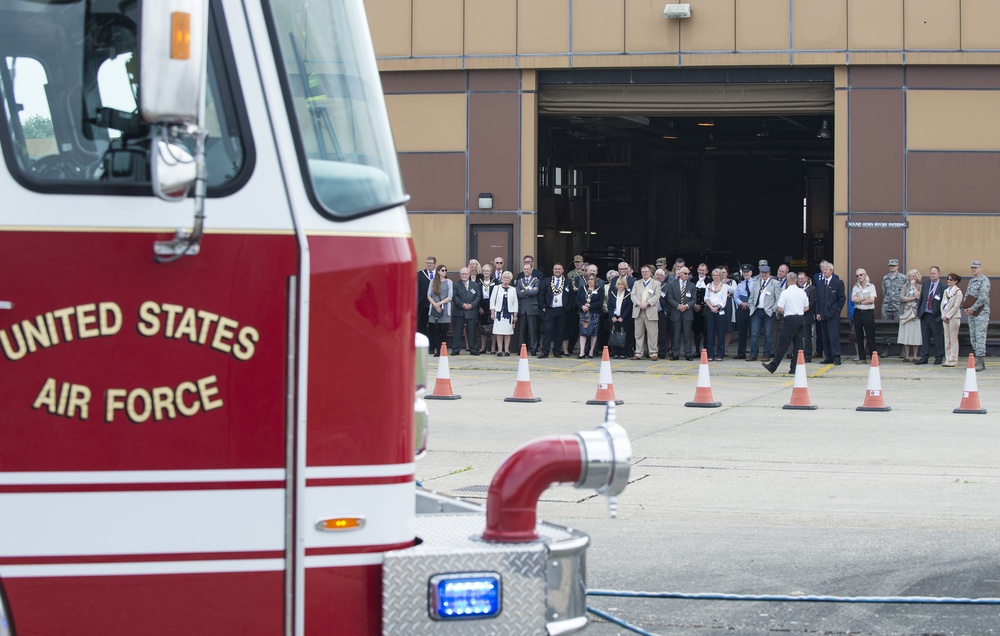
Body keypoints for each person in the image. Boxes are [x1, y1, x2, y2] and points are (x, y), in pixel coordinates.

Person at [762, 272, 810, 375]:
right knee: (798, 345)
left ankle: (773, 365)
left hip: (790, 318)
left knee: (783, 343)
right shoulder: (802, 292)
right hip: (800, 318)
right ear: (796, 280)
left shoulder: (785, 293)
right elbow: (807, 307)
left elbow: (780, 308)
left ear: (788, 281)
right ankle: (794, 368)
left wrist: (787, 310)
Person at [539, 263, 572, 358]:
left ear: (562, 270)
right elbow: (541, 295)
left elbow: (571, 296)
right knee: (548, 331)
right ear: (553, 270)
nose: (557, 270)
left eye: (559, 269)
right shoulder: (547, 281)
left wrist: (568, 307)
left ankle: (557, 351)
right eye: (555, 269)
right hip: (550, 309)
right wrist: (544, 307)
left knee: (560, 331)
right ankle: (545, 351)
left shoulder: (567, 282)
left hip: (562, 310)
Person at [747, 264, 780, 362]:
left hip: (768, 312)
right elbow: (751, 297)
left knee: (768, 334)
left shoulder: (775, 283)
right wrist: (752, 306)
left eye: (766, 273)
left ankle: (766, 354)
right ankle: (753, 354)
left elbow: (778, 299)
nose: (764, 274)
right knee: (754, 334)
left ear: (769, 273)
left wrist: (773, 309)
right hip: (757, 311)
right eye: (762, 272)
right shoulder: (756, 283)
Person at [816, 260, 846, 365]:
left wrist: (837, 311)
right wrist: (818, 312)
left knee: (833, 336)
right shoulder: (820, 283)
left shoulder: (838, 282)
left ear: (831, 271)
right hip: (823, 314)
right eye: (823, 269)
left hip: (833, 314)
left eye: (826, 269)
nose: (824, 271)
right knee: (825, 336)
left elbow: (842, 299)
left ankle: (836, 357)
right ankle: (828, 356)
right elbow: (818, 299)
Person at [964, 260, 991, 372]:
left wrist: (973, 308)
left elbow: (983, 297)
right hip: (972, 313)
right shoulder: (971, 281)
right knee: (973, 337)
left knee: (980, 337)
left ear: (980, 268)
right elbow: (967, 295)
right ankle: (979, 360)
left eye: (975, 267)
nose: (973, 269)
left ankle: (980, 360)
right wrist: (966, 307)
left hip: (981, 313)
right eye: (972, 268)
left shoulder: (984, 280)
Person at [630, 265, 660, 360]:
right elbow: (633, 295)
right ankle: (638, 353)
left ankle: (653, 353)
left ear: (651, 273)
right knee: (638, 333)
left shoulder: (656, 283)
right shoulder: (637, 283)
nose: (644, 273)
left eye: (646, 271)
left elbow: (657, 296)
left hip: (650, 311)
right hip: (638, 311)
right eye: (642, 271)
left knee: (652, 334)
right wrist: (639, 303)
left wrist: (647, 303)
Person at [916, 266, 945, 365]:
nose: (932, 275)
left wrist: (941, 315)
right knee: (925, 337)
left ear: (939, 274)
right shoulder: (926, 284)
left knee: (938, 338)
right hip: (925, 315)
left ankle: (939, 357)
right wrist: (919, 311)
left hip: (935, 316)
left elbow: (944, 302)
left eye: (934, 273)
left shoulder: (943, 287)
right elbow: (922, 298)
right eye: (931, 273)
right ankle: (924, 357)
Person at [665, 266, 695, 360]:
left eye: (688, 274)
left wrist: (686, 306)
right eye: (685, 273)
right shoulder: (672, 285)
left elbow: (694, 299)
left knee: (687, 335)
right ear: (680, 274)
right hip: (676, 312)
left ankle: (688, 353)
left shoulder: (692, 285)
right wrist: (678, 306)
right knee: (676, 334)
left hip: (687, 312)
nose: (687, 275)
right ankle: (675, 353)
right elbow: (669, 298)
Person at [451, 267, 481, 355]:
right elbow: (454, 297)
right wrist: (462, 304)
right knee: (457, 332)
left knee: (472, 332)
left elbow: (478, 297)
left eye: (466, 274)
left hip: (471, 311)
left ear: (469, 274)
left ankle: (473, 349)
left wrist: (471, 305)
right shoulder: (455, 285)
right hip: (459, 311)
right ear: (460, 275)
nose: (464, 275)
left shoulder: (475, 285)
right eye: (462, 274)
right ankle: (455, 350)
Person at [851, 268, 878, 364]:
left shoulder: (871, 286)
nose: (859, 277)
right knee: (859, 336)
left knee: (870, 335)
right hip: (858, 312)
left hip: (868, 312)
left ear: (865, 275)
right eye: (857, 275)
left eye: (861, 275)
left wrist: (860, 300)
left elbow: (871, 300)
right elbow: (853, 299)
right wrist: (864, 299)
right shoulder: (855, 287)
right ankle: (862, 357)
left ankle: (873, 357)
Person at [703, 268, 730, 361]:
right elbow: (706, 297)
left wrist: (717, 307)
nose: (716, 277)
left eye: (718, 275)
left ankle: (720, 354)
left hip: (720, 310)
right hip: (710, 310)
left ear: (721, 276)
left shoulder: (724, 286)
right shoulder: (709, 285)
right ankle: (710, 354)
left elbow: (724, 300)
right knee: (710, 333)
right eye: (714, 275)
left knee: (720, 332)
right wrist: (711, 307)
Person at [426, 264, 452, 356]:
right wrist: (435, 304)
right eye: (442, 270)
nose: (444, 272)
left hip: (444, 310)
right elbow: (429, 295)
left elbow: (450, 296)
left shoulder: (449, 282)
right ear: (438, 271)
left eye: (445, 270)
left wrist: (439, 304)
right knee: (435, 331)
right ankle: (437, 349)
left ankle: (443, 349)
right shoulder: (433, 282)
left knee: (444, 331)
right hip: (434, 310)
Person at [489, 271, 518, 356]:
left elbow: (515, 302)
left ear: (510, 280)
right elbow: (492, 301)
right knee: (499, 332)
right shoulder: (496, 288)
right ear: (502, 278)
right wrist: (492, 313)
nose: (506, 279)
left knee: (508, 332)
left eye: (508, 278)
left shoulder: (513, 289)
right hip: (499, 314)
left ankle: (507, 350)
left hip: (509, 314)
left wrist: (515, 314)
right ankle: (500, 350)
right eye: (504, 277)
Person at [516, 262, 541, 355]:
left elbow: (535, 292)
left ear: (531, 270)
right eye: (525, 269)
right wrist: (529, 291)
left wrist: (524, 292)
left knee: (533, 330)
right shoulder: (519, 281)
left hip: (532, 308)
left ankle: (534, 349)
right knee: (522, 330)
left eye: (528, 269)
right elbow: (518, 293)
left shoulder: (536, 280)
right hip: (522, 308)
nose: (526, 271)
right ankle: (521, 349)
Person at [897, 269, 922, 362]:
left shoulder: (920, 286)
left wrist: (914, 287)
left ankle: (915, 356)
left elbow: (919, 297)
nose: (912, 278)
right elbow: (902, 297)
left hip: (916, 315)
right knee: (906, 335)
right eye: (911, 276)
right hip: (906, 314)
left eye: (914, 276)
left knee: (915, 336)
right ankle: (906, 356)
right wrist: (912, 298)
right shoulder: (905, 286)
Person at [576, 274, 604, 358]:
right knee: (583, 332)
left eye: (592, 279)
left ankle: (591, 351)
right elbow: (577, 300)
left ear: (595, 280)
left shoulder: (599, 289)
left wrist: (590, 305)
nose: (590, 281)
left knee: (593, 332)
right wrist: (582, 306)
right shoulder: (582, 289)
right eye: (589, 279)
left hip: (594, 313)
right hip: (583, 313)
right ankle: (582, 352)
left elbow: (600, 302)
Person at [607, 276, 633, 359]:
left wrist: (623, 317)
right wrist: (612, 316)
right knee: (614, 334)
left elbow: (629, 307)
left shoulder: (628, 294)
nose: (620, 286)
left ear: (625, 285)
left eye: (622, 284)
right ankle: (615, 352)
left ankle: (623, 353)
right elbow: (609, 306)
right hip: (614, 318)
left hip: (624, 318)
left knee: (623, 335)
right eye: (619, 284)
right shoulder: (612, 293)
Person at [941, 273, 964, 367]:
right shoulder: (946, 291)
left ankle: (953, 360)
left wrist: (948, 316)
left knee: (953, 338)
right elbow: (942, 304)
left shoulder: (958, 292)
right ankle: (948, 359)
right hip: (945, 316)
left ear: (955, 281)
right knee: (947, 339)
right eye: (948, 279)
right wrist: (943, 315)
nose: (948, 281)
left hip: (954, 317)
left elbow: (956, 306)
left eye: (951, 279)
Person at [798, 272, 819, 362]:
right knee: (798, 337)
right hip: (797, 316)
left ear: (806, 279)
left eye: (802, 278)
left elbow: (812, 302)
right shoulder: (795, 289)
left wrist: (802, 310)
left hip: (807, 316)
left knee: (807, 338)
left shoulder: (812, 289)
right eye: (799, 279)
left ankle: (807, 356)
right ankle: (798, 354)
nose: (800, 280)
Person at [734, 264, 753, 359]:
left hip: (751, 310)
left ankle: (753, 353)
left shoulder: (755, 283)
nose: (745, 274)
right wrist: (742, 303)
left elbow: (755, 296)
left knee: (753, 332)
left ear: (751, 273)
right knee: (741, 332)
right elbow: (735, 297)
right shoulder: (740, 284)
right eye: (744, 272)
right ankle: (741, 353)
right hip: (741, 309)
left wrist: (748, 304)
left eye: (747, 272)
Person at [417, 256, 436, 344]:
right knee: (421, 326)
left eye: (431, 263)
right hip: (422, 305)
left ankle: (432, 346)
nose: (429, 264)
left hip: (435, 305)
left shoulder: (439, 275)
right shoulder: (420, 274)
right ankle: (422, 345)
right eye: (427, 263)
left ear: (434, 264)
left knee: (433, 326)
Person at [478, 263, 496, 353]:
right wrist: (479, 307)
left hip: (492, 305)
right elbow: (477, 295)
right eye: (484, 271)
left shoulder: (495, 281)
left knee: (492, 327)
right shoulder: (479, 281)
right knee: (483, 327)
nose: (486, 272)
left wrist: (494, 308)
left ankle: (493, 347)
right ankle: (483, 347)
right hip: (482, 305)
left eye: (488, 271)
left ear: (491, 272)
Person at [881, 258, 905, 324]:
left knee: (899, 326)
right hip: (887, 306)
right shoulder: (885, 278)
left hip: (898, 307)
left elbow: (905, 292)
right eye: (890, 266)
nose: (892, 267)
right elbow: (884, 291)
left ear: (897, 266)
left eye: (894, 266)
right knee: (885, 325)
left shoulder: (903, 278)